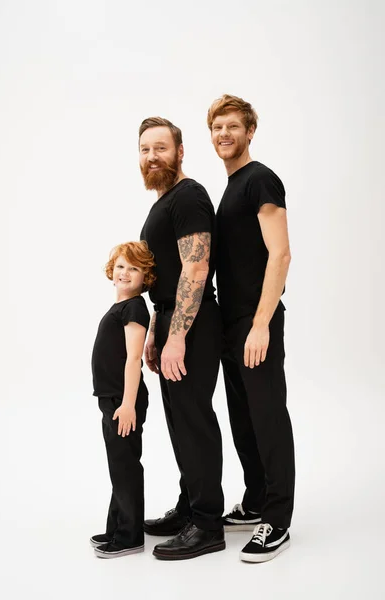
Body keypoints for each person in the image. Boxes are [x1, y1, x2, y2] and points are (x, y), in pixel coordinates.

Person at [207, 94, 296, 563]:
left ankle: (277, 519)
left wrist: (261, 323)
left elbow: (279, 253)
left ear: (250, 132)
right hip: (230, 321)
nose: (224, 134)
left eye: (233, 127)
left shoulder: (260, 179)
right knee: (242, 416)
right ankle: (257, 497)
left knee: (267, 415)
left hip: (254, 320)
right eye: (217, 127)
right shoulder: (230, 187)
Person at [139, 116, 225, 560]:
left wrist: (177, 336)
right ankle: (190, 507)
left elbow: (195, 269)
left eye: (161, 147)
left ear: (180, 151)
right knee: (180, 423)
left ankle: (209, 525)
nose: (152, 156)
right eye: (145, 149)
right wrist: (158, 328)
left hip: (193, 326)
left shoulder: (189, 196)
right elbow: (167, 278)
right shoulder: (166, 201)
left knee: (194, 421)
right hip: (174, 319)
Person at [89, 241, 155, 558]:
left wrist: (127, 404)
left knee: (125, 465)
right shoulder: (120, 307)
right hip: (112, 398)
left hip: (122, 400)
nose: (124, 272)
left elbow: (133, 359)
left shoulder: (134, 309)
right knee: (119, 464)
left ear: (145, 276)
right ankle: (117, 527)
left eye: (133, 268)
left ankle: (130, 535)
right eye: (120, 266)